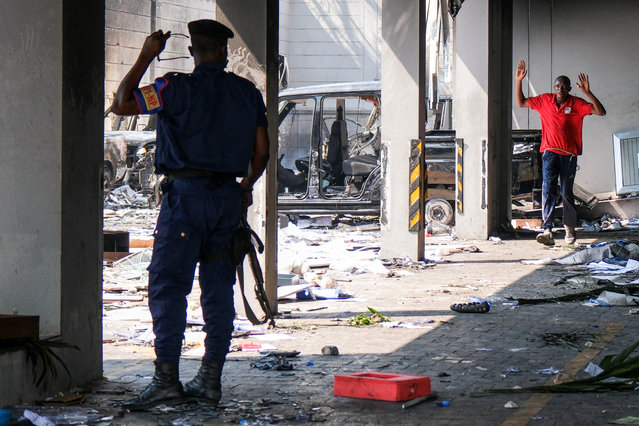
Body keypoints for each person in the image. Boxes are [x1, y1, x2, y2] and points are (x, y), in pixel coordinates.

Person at [110, 19, 270, 410]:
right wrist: (245, 187)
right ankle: (209, 381)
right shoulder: (247, 93)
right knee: (218, 291)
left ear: (192, 51)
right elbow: (261, 153)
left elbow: (121, 104)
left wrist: (147, 55)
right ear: (225, 51)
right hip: (225, 202)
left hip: (185, 200)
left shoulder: (172, 88)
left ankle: (166, 379)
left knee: (168, 285)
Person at [515, 60, 606, 245]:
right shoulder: (544, 101)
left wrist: (588, 92)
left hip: (569, 155)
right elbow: (521, 102)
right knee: (547, 189)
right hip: (549, 153)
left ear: (569, 88)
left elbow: (601, 112)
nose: (560, 88)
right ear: (554, 87)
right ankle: (547, 230)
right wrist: (519, 81)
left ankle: (569, 229)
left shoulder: (577, 104)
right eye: (557, 85)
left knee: (566, 192)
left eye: (563, 86)